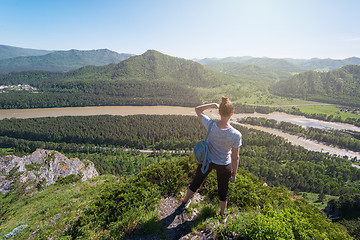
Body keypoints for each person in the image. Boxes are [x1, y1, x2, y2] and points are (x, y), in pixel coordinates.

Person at [178, 96, 242, 218]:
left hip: (207, 160)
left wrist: (213, 104)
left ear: (219, 111)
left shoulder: (211, 124)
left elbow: (197, 109)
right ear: (232, 113)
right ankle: (223, 214)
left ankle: (185, 201)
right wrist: (234, 174)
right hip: (224, 164)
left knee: (196, 182)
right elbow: (235, 157)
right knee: (223, 191)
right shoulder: (236, 134)